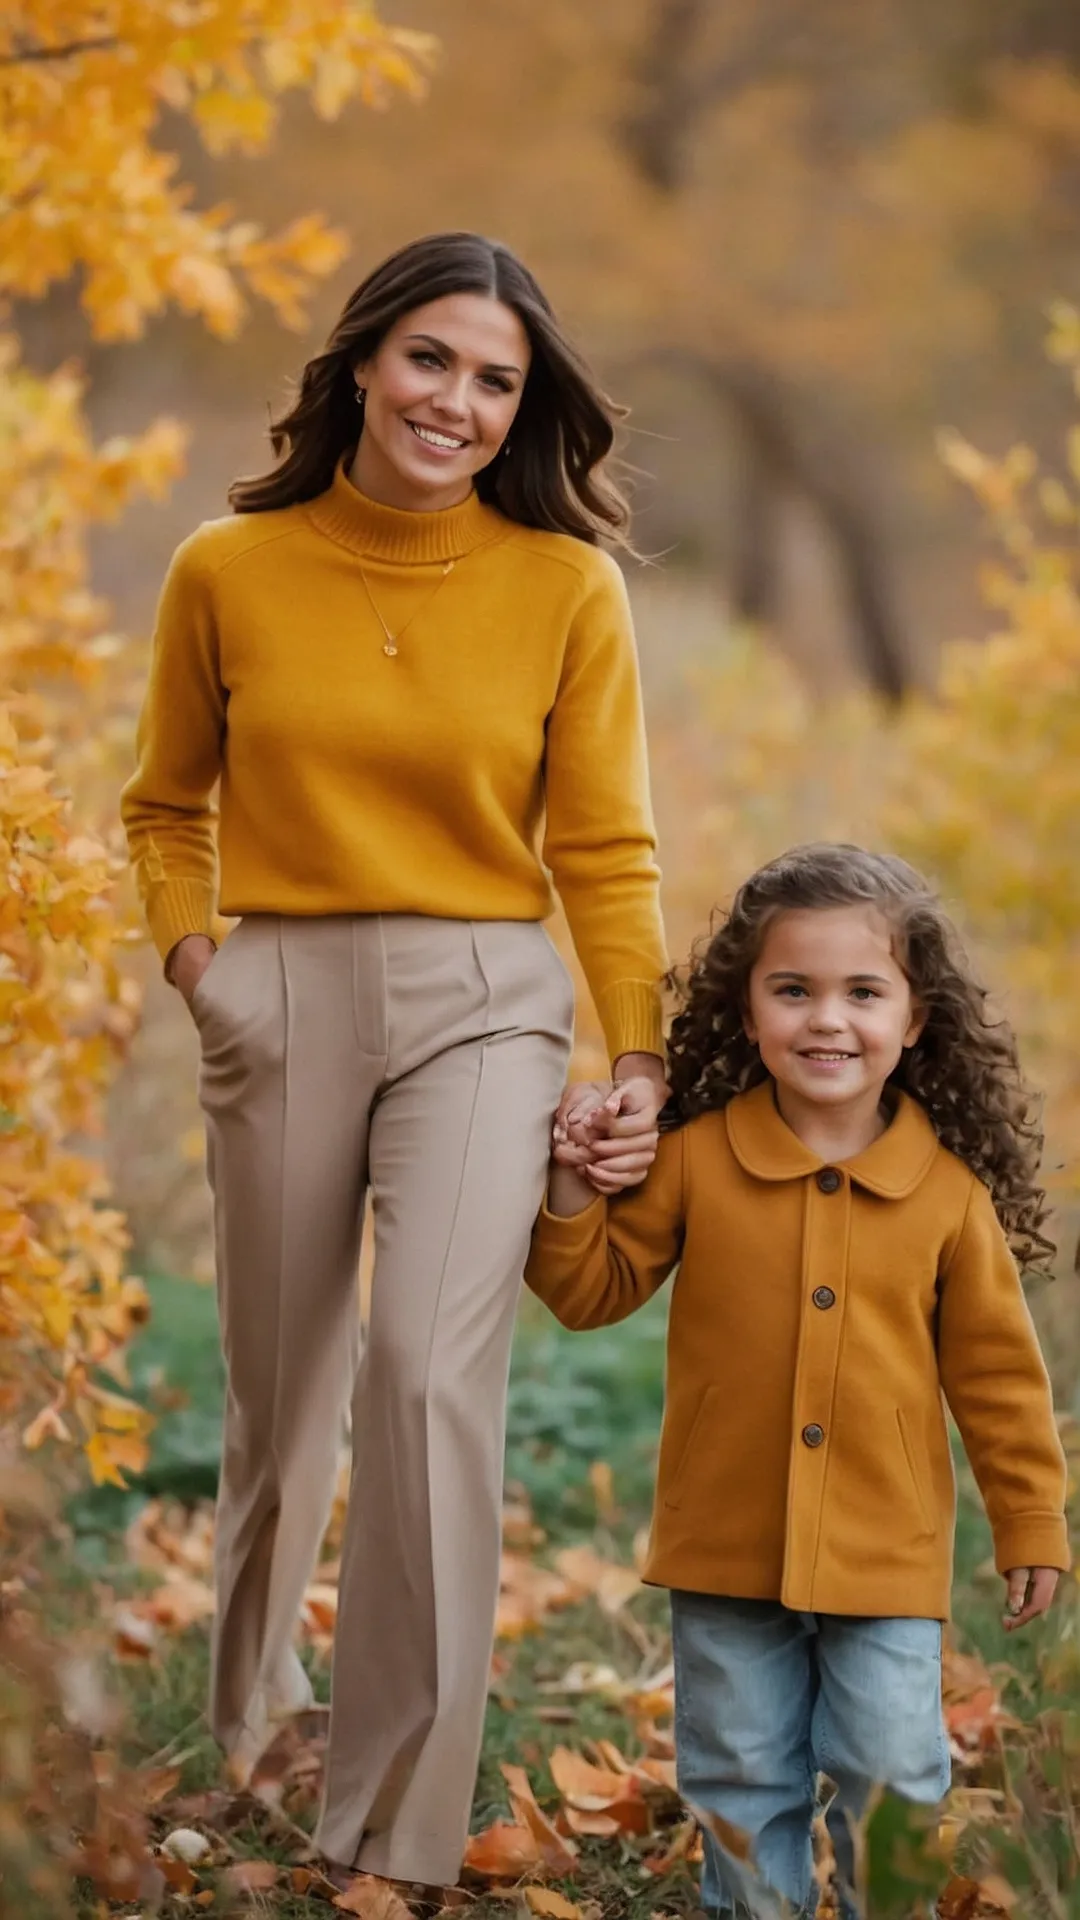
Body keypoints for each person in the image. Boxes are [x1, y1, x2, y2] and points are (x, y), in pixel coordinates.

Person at [120, 231, 669, 1889]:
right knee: (282, 1395)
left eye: (496, 380)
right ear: (361, 362)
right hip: (277, 987)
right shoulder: (227, 566)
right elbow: (164, 806)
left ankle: (395, 1823)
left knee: (427, 1378)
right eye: (432, 359)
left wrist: (636, 1048)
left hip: (486, 1002)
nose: (459, 401)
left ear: (524, 409)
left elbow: (608, 850)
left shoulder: (568, 587)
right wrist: (206, 970)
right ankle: (252, 1727)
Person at [526, 843, 1070, 1918]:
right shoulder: (696, 1158)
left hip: (886, 1548)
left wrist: (1032, 1521)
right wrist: (568, 1185)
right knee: (738, 1777)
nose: (828, 1019)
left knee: (893, 1780)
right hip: (725, 1544)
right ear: (748, 1009)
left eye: (863, 992)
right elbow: (591, 1291)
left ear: (915, 1020)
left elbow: (1000, 1380)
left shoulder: (947, 1198)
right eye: (795, 990)